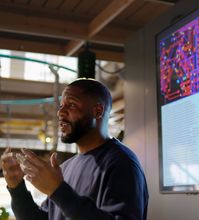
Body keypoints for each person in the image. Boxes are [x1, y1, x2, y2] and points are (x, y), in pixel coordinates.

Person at [1, 78, 148, 220]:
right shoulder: (65, 168)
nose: (60, 113)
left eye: (71, 105)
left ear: (97, 111)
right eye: (61, 106)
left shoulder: (122, 163)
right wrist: (17, 188)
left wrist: (57, 191)